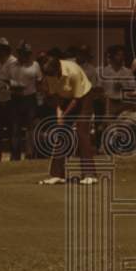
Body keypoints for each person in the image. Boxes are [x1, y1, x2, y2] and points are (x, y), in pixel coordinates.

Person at [40, 54, 97, 185]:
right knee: (62, 133)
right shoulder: (50, 74)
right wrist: (59, 114)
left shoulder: (73, 71)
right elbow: (56, 97)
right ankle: (57, 175)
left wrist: (64, 116)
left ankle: (90, 174)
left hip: (84, 98)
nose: (51, 76)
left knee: (81, 133)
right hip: (65, 98)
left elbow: (76, 100)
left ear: (58, 68)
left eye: (53, 73)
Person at [2, 42, 42, 160]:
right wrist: (12, 85)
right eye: (21, 53)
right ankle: (15, 156)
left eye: (26, 54)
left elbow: (39, 81)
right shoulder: (11, 65)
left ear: (29, 54)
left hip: (30, 98)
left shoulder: (35, 65)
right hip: (15, 98)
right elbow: (3, 79)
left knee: (31, 127)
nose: (24, 56)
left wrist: (39, 98)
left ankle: (30, 154)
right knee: (15, 128)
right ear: (18, 53)